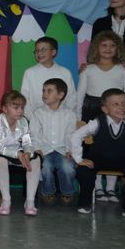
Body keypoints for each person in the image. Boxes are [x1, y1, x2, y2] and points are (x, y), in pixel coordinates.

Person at [71, 88, 125, 221]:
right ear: (105, 109)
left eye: (124, 103)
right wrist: (79, 159)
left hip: (123, 159)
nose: (121, 107)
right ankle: (85, 203)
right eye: (115, 104)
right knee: (84, 170)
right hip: (98, 158)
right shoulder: (98, 122)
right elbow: (76, 135)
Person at [0, 90, 41, 216]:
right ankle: (6, 200)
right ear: (4, 109)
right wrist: (18, 154)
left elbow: (27, 142)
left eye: (22, 108)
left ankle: (30, 201)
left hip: (19, 154)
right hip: (2, 154)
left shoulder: (23, 122)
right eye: (16, 108)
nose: (20, 111)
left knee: (36, 158)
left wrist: (27, 153)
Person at [29, 78, 77, 206]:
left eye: (49, 91)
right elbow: (33, 133)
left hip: (62, 150)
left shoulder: (69, 114)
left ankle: (68, 192)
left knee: (67, 167)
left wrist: (70, 150)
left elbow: (71, 134)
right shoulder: (38, 112)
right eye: (43, 90)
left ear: (60, 95)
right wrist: (37, 148)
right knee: (45, 167)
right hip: (45, 150)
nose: (44, 94)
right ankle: (47, 191)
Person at [77, 30, 125, 122]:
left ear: (118, 49)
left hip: (116, 111)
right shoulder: (87, 69)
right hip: (91, 111)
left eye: (112, 45)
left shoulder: (124, 70)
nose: (108, 48)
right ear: (96, 48)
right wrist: (77, 116)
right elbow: (80, 95)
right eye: (104, 45)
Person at [20, 36, 76, 120]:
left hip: (60, 118)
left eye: (43, 50)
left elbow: (71, 97)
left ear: (53, 52)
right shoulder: (29, 73)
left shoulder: (65, 73)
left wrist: (65, 117)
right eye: (37, 51)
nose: (39, 53)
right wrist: (32, 119)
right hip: (36, 118)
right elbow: (24, 98)